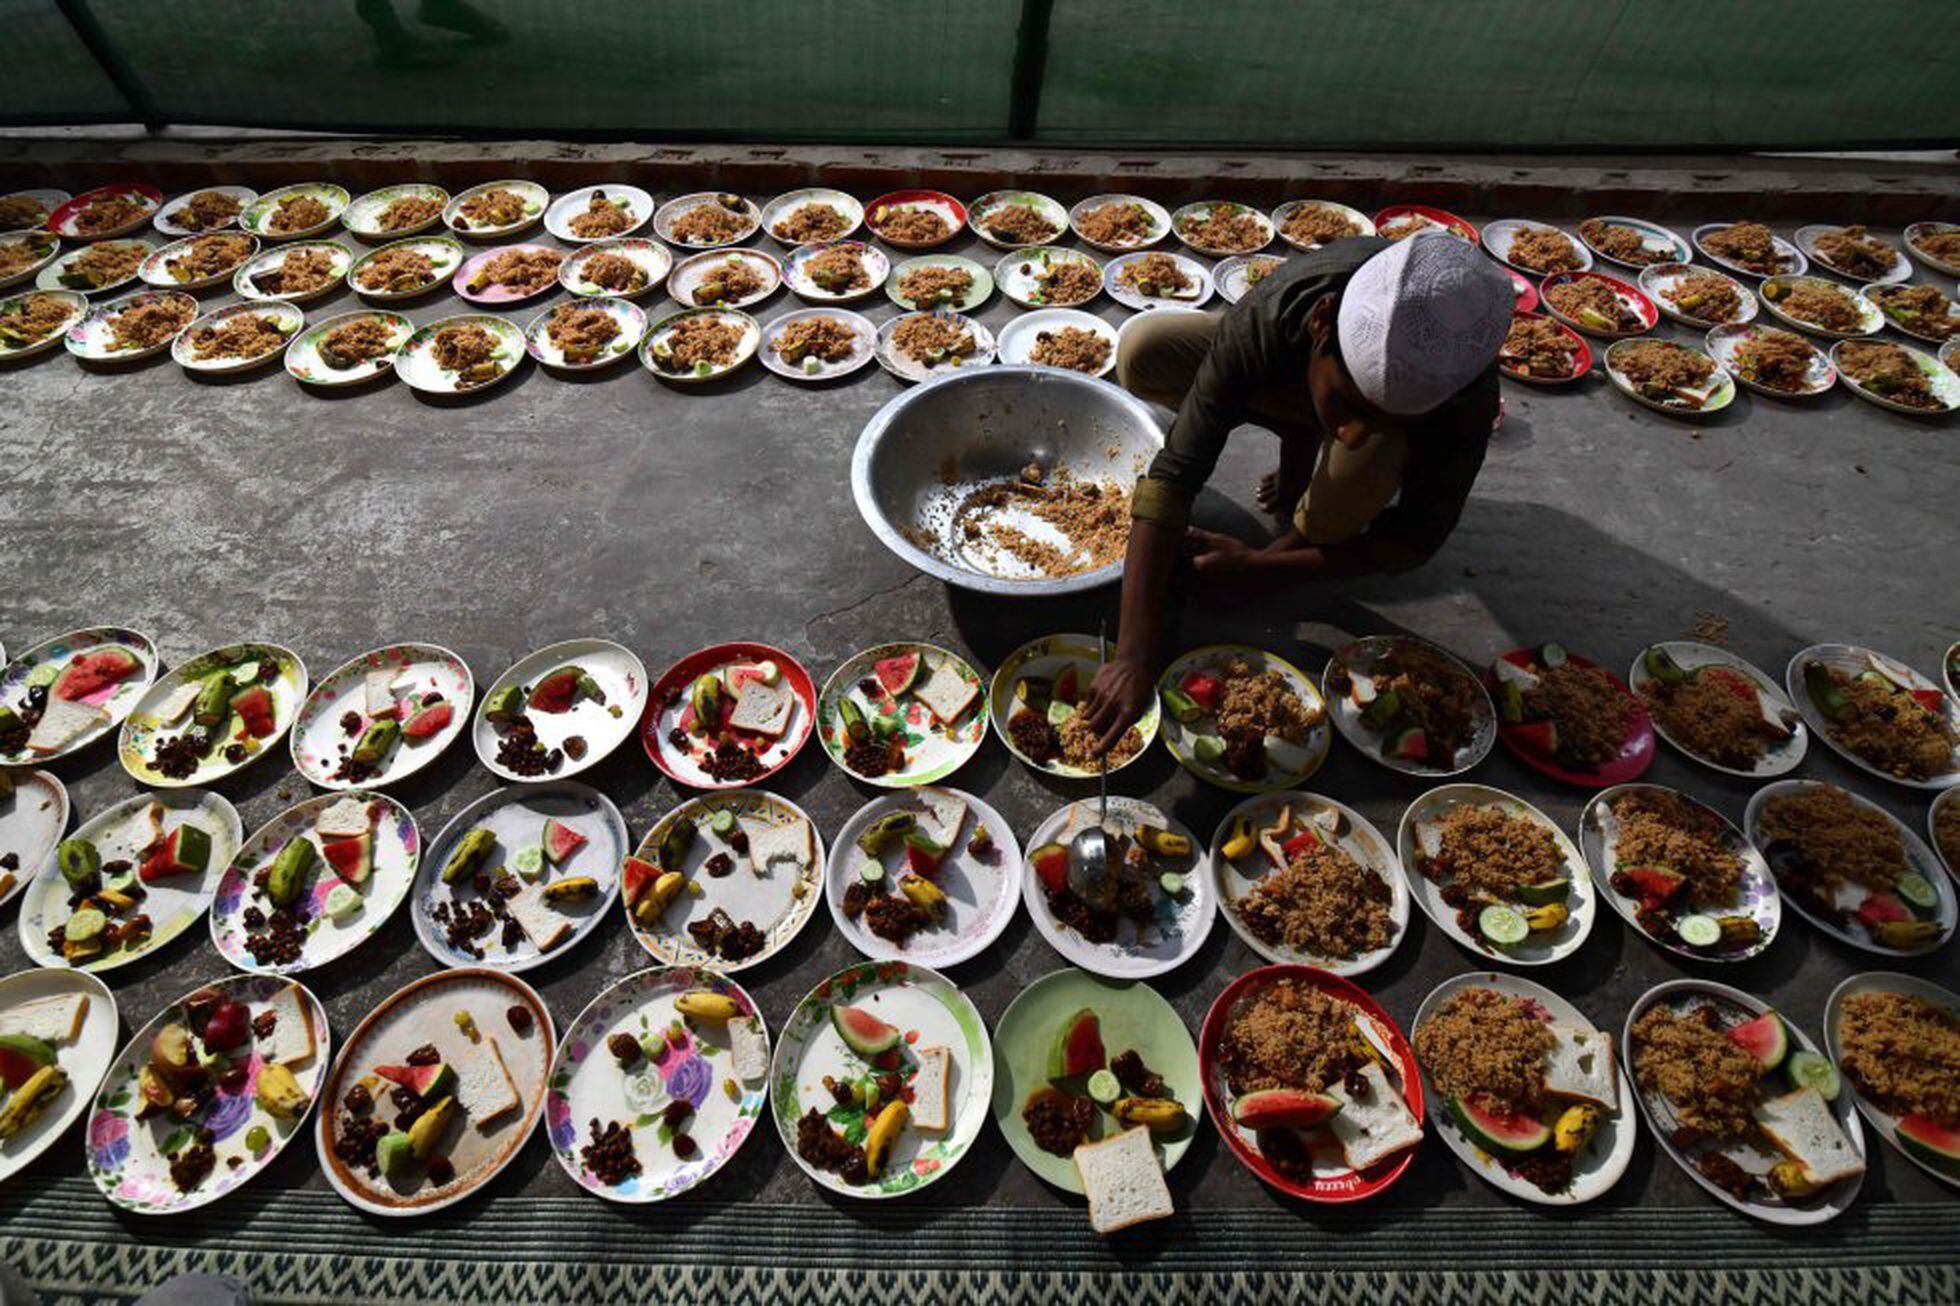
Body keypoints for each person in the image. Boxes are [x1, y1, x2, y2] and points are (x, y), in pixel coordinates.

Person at [1081, 233, 1513, 751]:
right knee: (1144, 349)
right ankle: (1303, 434)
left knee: (1363, 462)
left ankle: (1310, 505)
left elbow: (1416, 538)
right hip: (1288, 363)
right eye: (1348, 407)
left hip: (1353, 410)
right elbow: (1174, 475)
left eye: (1375, 419)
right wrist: (1133, 653)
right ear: (1321, 325)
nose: (1349, 430)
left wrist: (1262, 569)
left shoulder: (1465, 391)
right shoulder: (1277, 310)